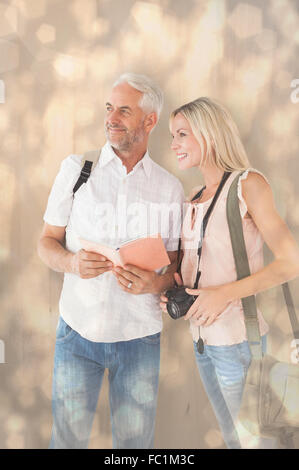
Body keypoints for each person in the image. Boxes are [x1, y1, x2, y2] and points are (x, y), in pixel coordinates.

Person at [38, 73, 185, 449]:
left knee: (135, 448)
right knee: (66, 443)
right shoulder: (76, 170)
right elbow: (46, 243)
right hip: (76, 333)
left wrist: (158, 283)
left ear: (150, 121)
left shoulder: (169, 187)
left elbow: (175, 263)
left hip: (139, 337)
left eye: (124, 110)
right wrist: (72, 264)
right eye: (109, 108)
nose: (111, 118)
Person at [160, 97, 299, 449]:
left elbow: (291, 261)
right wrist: (176, 292)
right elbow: (201, 272)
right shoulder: (194, 196)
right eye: (172, 135)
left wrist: (223, 293)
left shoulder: (247, 185)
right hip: (203, 343)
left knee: (256, 445)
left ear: (209, 134)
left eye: (182, 134)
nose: (173, 144)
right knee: (233, 442)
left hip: (238, 344)